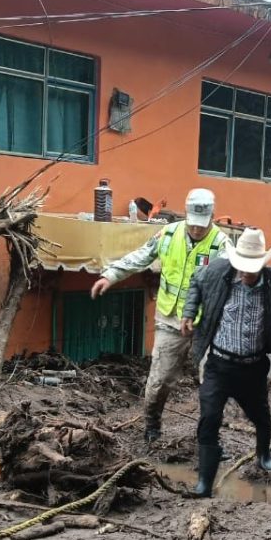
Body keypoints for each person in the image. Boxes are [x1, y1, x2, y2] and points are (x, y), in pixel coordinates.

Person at [181, 227, 271, 498]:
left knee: (260, 416)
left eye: (250, 270)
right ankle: (204, 483)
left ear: (263, 265)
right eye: (241, 268)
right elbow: (195, 282)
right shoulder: (218, 271)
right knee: (208, 418)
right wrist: (189, 311)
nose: (244, 274)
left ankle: (263, 452)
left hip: (252, 367)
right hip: (218, 364)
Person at [91, 188, 228, 444]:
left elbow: (233, 283)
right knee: (159, 381)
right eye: (193, 224)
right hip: (170, 319)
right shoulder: (168, 233)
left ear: (211, 217)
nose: (197, 230)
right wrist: (111, 274)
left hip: (207, 325)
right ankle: (152, 426)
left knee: (212, 383)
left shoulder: (221, 245)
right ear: (187, 215)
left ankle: (209, 438)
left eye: (202, 225)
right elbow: (142, 256)